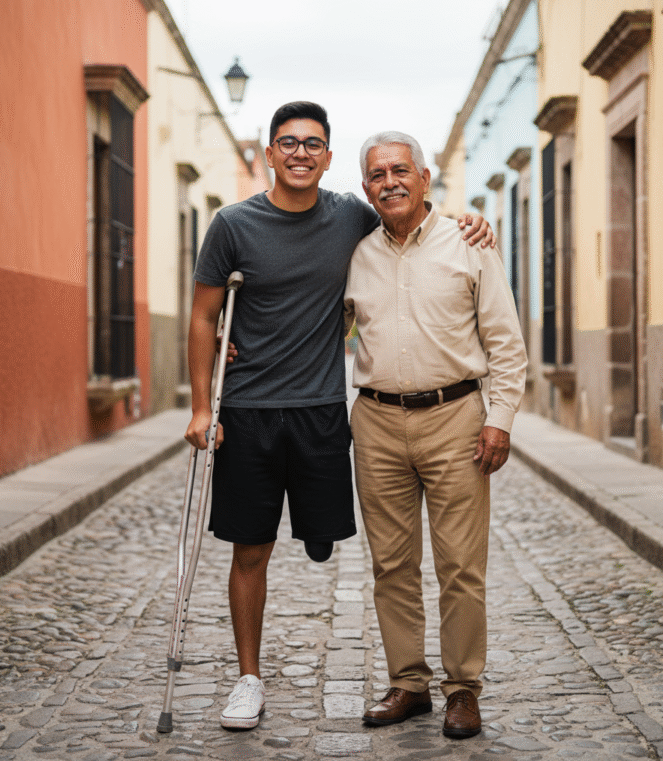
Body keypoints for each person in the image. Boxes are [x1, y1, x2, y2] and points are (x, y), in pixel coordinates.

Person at [185, 102, 495, 731]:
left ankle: (455, 682)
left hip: (324, 414)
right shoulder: (231, 225)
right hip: (248, 412)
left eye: (314, 144)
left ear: (328, 158)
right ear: (269, 153)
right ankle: (249, 679)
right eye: (288, 142)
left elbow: (410, 216)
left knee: (328, 542)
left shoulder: (352, 215)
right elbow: (201, 316)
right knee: (252, 550)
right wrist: (200, 405)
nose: (300, 153)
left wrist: (473, 221)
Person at [344, 131, 527, 739]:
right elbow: (314, 327)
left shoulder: (469, 243)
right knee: (391, 563)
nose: (390, 182)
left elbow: (504, 341)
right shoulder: (356, 253)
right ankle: (407, 683)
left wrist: (498, 419)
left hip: (457, 420)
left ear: (425, 178)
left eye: (401, 170)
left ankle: (462, 689)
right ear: (365, 187)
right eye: (377, 174)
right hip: (376, 421)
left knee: (460, 564)